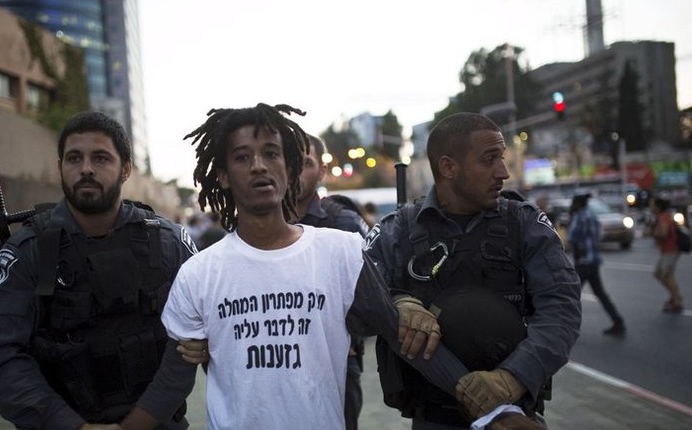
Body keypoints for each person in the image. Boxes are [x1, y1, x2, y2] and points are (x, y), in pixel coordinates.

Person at [118, 104, 541, 430]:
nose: (260, 165)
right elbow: (173, 381)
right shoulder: (199, 273)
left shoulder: (340, 252)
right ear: (224, 176)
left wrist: (495, 409)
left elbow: (403, 338)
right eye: (243, 157)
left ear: (288, 168)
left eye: (271, 153)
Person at [0, 111, 202, 430]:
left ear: (125, 170)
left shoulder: (169, 243)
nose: (85, 169)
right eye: (74, 158)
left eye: (100, 158)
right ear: (60, 167)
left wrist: (140, 422)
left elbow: (190, 343)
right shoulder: (26, 252)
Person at [365, 112, 582, 429]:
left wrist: (511, 378)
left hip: (515, 416)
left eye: (502, 158)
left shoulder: (523, 224)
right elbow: (361, 299)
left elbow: (561, 308)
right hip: (435, 417)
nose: (504, 173)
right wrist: (399, 303)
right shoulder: (395, 231)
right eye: (489, 160)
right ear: (448, 167)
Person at [295, 134, 369, 430]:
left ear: (322, 171)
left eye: (305, 163)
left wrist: (350, 336)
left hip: (335, 363)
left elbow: (372, 298)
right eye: (288, 161)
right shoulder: (256, 227)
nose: (295, 171)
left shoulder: (345, 225)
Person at [566, 192, 626, 335]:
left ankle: (563, 327)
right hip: (593, 260)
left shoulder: (580, 216)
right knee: (600, 293)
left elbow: (572, 237)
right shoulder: (592, 215)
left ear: (578, 204)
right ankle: (618, 321)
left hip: (583, 262)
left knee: (570, 294)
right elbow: (600, 234)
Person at [650, 195, 683, 313]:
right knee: (659, 273)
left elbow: (663, 233)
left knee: (666, 275)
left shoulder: (663, 218)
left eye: (652, 205)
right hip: (667, 250)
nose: (651, 207)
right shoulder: (663, 216)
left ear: (658, 207)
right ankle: (674, 296)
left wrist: (654, 234)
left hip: (671, 250)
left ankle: (677, 300)